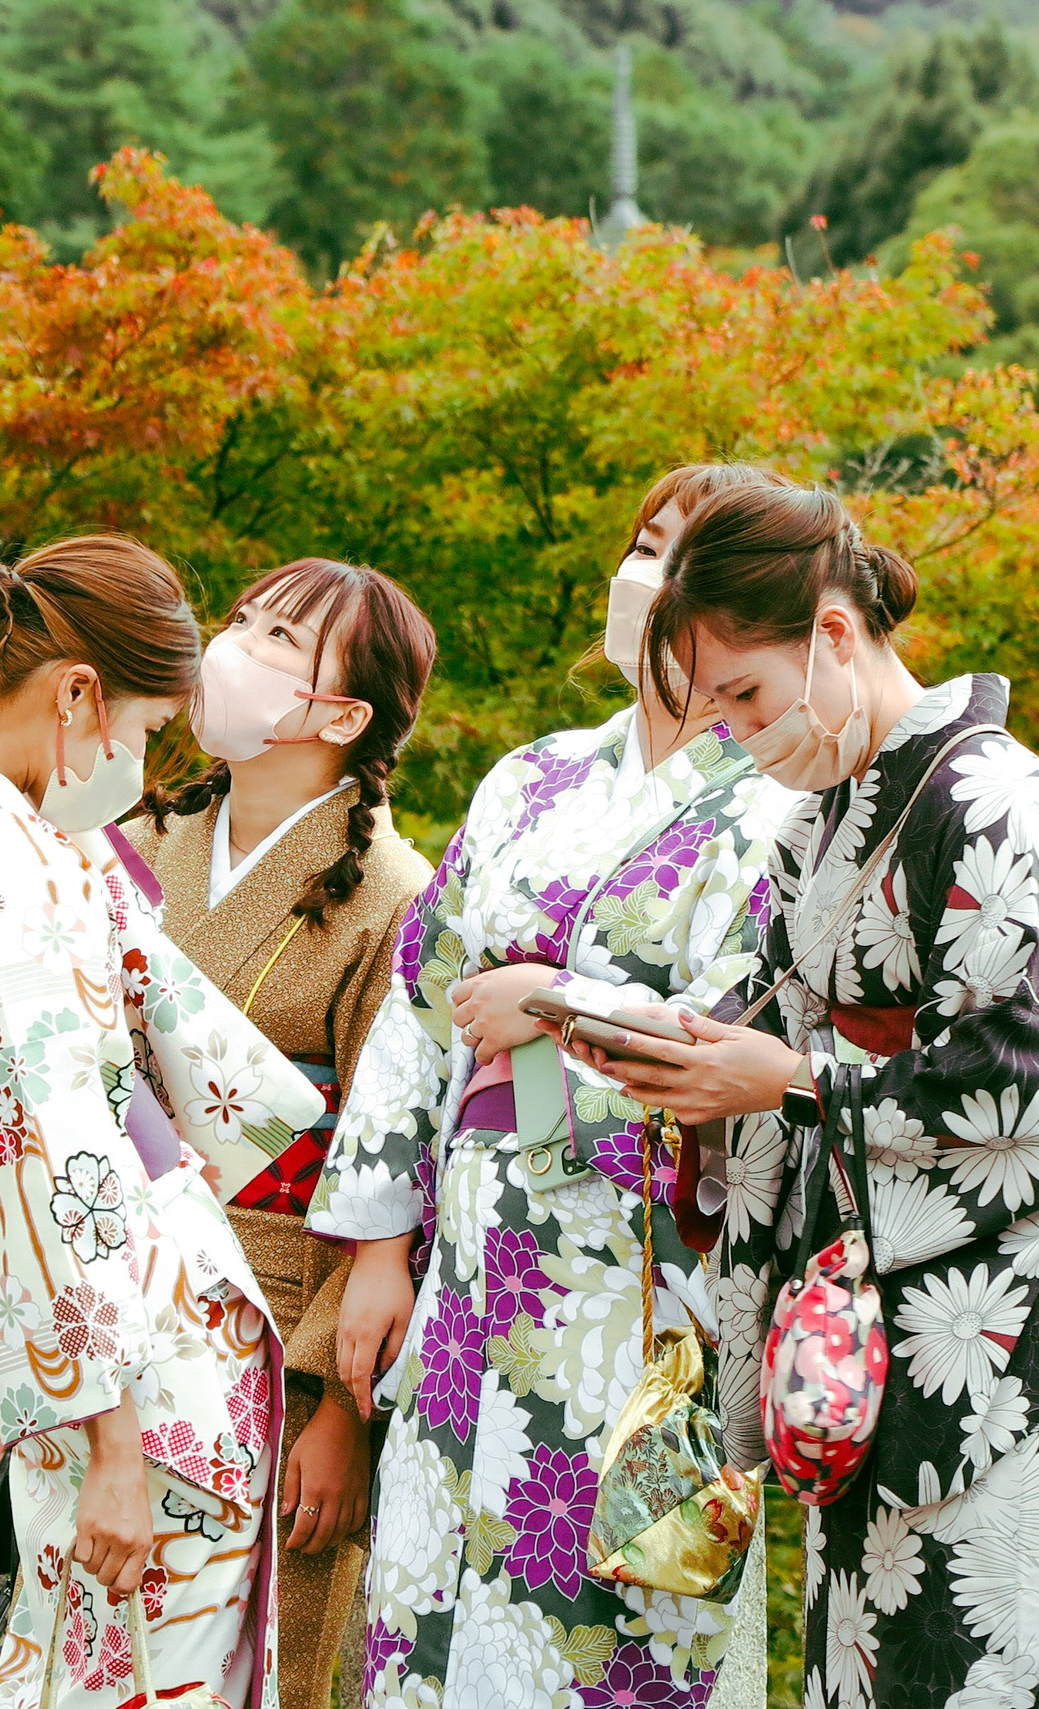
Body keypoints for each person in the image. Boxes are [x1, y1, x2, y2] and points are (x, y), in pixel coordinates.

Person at [596, 482, 1039, 1708]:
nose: (737, 730)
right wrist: (681, 1057)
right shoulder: (823, 820)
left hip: (1008, 1354)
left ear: (835, 637)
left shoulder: (994, 797)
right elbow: (767, 1009)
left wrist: (796, 1081)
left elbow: (1035, 1079)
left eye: (744, 694)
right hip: (861, 1358)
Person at [309, 463, 796, 1707]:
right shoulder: (531, 775)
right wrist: (378, 1250)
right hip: (472, 1252)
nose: (643, 575)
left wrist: (556, 1003)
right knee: (423, 1598)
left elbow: (746, 1039)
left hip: (638, 1280)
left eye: (676, 557)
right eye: (640, 542)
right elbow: (421, 1006)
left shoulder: (780, 804)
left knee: (588, 1620)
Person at [0, 536, 324, 1709]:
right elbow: (49, 1146)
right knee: (139, 1676)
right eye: (141, 729)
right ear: (78, 693)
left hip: (62, 1339)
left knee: (66, 1668)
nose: (135, 764)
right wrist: (111, 1441)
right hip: (138, 1365)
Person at [120, 558, 438, 1709]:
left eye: (279, 639)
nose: (234, 644)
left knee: (255, 1661)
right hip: (108, 1289)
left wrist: (341, 1412)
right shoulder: (134, 836)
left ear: (343, 715)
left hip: (272, 1320)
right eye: (243, 619)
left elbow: (392, 1163)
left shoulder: (392, 892)